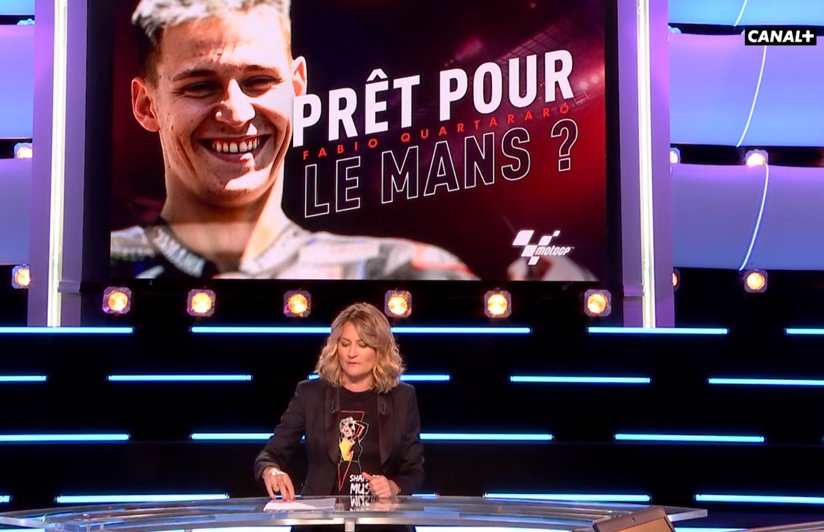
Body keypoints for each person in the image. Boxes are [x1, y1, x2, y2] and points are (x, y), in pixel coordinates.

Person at [110, 0, 476, 281]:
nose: (236, 114)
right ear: (145, 105)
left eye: (259, 81)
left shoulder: (404, 273)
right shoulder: (98, 267)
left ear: (298, 84)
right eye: (200, 86)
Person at [253, 302, 424, 507]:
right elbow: (269, 455)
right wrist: (271, 471)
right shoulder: (310, 394)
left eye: (362, 345)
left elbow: (414, 469)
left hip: (380, 517)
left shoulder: (402, 396)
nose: (351, 353)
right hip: (321, 518)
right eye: (345, 343)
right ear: (335, 346)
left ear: (380, 349)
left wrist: (393, 486)